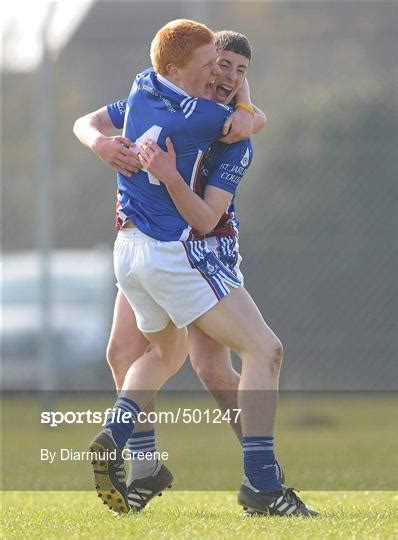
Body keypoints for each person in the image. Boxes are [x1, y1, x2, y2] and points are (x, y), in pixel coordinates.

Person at [76, 19, 317, 517]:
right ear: (188, 69)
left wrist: (247, 108)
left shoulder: (207, 116)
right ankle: (152, 467)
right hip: (160, 245)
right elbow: (88, 121)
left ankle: (260, 475)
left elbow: (221, 179)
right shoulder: (192, 106)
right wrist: (101, 143)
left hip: (197, 245)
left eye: (237, 70)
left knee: (206, 364)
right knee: (128, 350)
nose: (223, 75)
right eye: (217, 64)